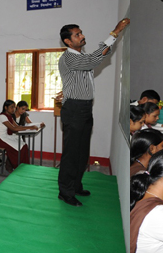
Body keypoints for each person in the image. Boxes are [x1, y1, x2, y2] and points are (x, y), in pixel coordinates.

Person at [55, 19, 130, 206]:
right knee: (71, 154)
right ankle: (65, 192)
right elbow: (92, 60)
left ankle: (76, 185)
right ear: (68, 41)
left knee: (82, 152)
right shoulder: (69, 57)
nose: (82, 36)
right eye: (77, 35)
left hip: (85, 108)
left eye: (81, 33)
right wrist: (114, 32)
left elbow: (97, 57)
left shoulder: (81, 56)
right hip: (74, 109)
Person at [0, 100, 40, 170]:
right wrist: (30, 127)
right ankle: (16, 167)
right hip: (0, 139)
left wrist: (31, 127)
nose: (13, 109)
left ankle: (25, 167)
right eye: (11, 107)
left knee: (24, 145)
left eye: (14, 107)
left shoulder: (9, 116)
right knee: (18, 147)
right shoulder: (2, 116)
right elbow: (13, 129)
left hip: (5, 137)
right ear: (6, 107)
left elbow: (17, 126)